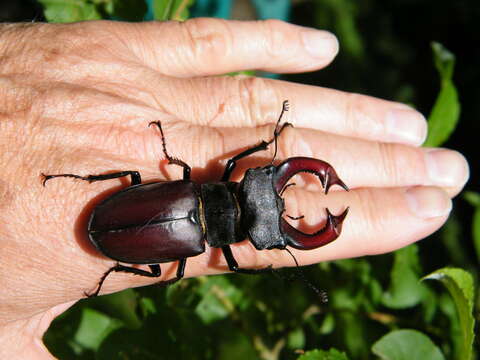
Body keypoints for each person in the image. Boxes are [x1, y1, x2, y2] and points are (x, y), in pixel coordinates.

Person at [0, 18, 468, 358]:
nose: (265, 199)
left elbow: (216, 165)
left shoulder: (190, 182)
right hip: (154, 240)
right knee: (172, 261)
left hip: (152, 218)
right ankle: (91, 211)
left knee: (139, 182)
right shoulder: (195, 245)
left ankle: (86, 193)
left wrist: (266, 146)